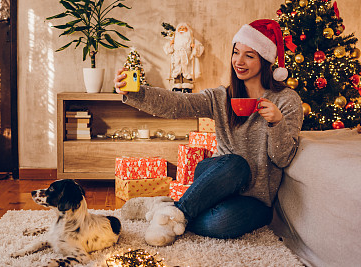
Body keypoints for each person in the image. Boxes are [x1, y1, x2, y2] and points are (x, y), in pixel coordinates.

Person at [114, 19, 303, 246]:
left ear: (265, 60)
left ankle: (167, 209)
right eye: (236, 53)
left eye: (249, 56)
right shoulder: (220, 97)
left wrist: (276, 123)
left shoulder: (286, 101)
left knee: (221, 223)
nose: (239, 61)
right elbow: (178, 104)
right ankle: (179, 210)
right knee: (237, 165)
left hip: (255, 198)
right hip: (217, 177)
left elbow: (282, 159)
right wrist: (135, 93)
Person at [163, 22, 204, 93]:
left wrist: (195, 46)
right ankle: (177, 86)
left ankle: (187, 87)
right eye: (180, 28)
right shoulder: (175, 39)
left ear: (187, 30)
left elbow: (200, 47)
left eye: (183, 28)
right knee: (177, 71)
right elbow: (168, 50)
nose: (181, 30)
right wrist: (170, 44)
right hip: (177, 58)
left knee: (187, 71)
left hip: (187, 58)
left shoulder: (191, 38)